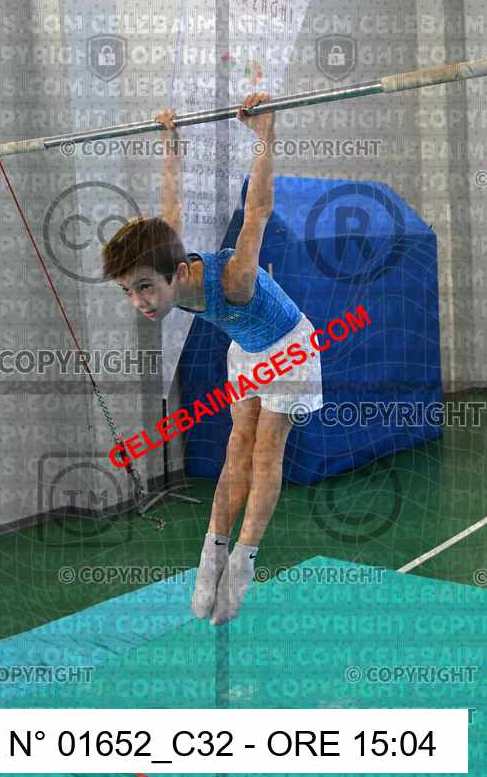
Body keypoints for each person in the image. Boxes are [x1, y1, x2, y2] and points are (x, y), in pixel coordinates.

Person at [101, 93, 323, 626]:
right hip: (246, 350)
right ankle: (211, 555)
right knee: (236, 447)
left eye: (145, 288)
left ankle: (243, 564)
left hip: (290, 347)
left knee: (265, 452)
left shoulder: (234, 280)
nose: (140, 302)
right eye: (129, 291)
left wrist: (266, 133)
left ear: (177, 275)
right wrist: (170, 141)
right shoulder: (170, 259)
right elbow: (170, 205)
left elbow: (258, 211)